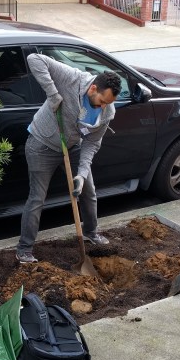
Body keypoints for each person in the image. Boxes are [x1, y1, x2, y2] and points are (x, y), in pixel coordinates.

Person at [16, 53, 122, 264]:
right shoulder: (72, 78)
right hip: (41, 144)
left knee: (88, 191)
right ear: (93, 88)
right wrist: (53, 94)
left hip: (72, 147)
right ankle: (24, 249)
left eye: (107, 103)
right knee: (37, 198)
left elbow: (92, 143)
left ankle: (91, 232)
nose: (103, 106)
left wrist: (81, 175)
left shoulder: (108, 111)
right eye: (102, 101)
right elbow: (34, 59)